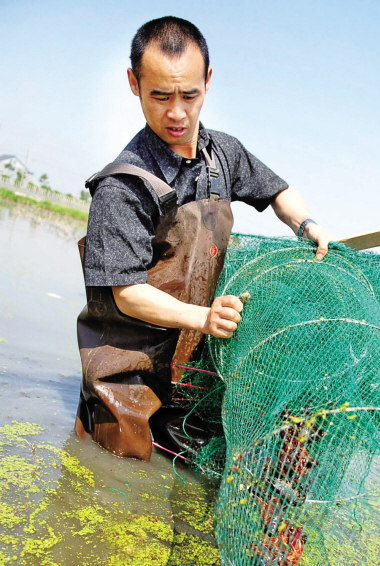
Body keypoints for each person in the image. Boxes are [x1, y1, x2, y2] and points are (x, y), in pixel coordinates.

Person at [76, 15, 335, 461]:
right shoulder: (122, 187)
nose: (176, 113)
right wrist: (203, 318)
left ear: (208, 82)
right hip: (128, 373)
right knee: (116, 477)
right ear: (134, 84)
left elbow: (278, 192)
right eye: (159, 96)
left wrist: (306, 224)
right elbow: (126, 294)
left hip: (192, 369)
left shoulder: (224, 154)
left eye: (188, 95)